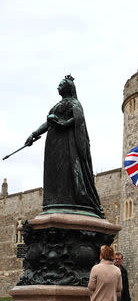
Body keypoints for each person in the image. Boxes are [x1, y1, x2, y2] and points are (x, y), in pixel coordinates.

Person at [24, 75, 104, 218]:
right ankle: (56, 200)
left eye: (61, 85)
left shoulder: (74, 103)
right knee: (55, 172)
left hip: (68, 144)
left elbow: (78, 120)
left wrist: (63, 124)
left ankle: (70, 200)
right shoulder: (56, 106)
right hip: (54, 145)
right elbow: (47, 124)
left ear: (68, 88)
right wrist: (34, 134)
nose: (58, 87)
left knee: (67, 171)